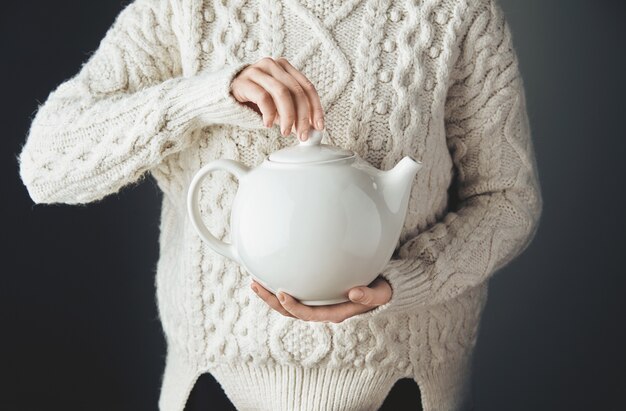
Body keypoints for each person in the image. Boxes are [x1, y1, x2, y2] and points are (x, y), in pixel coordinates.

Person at [18, 0, 543, 410]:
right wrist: (202, 98)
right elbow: (47, 165)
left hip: (402, 384)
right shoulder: (180, 11)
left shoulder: (458, 12)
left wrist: (405, 282)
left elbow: (507, 200)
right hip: (215, 383)